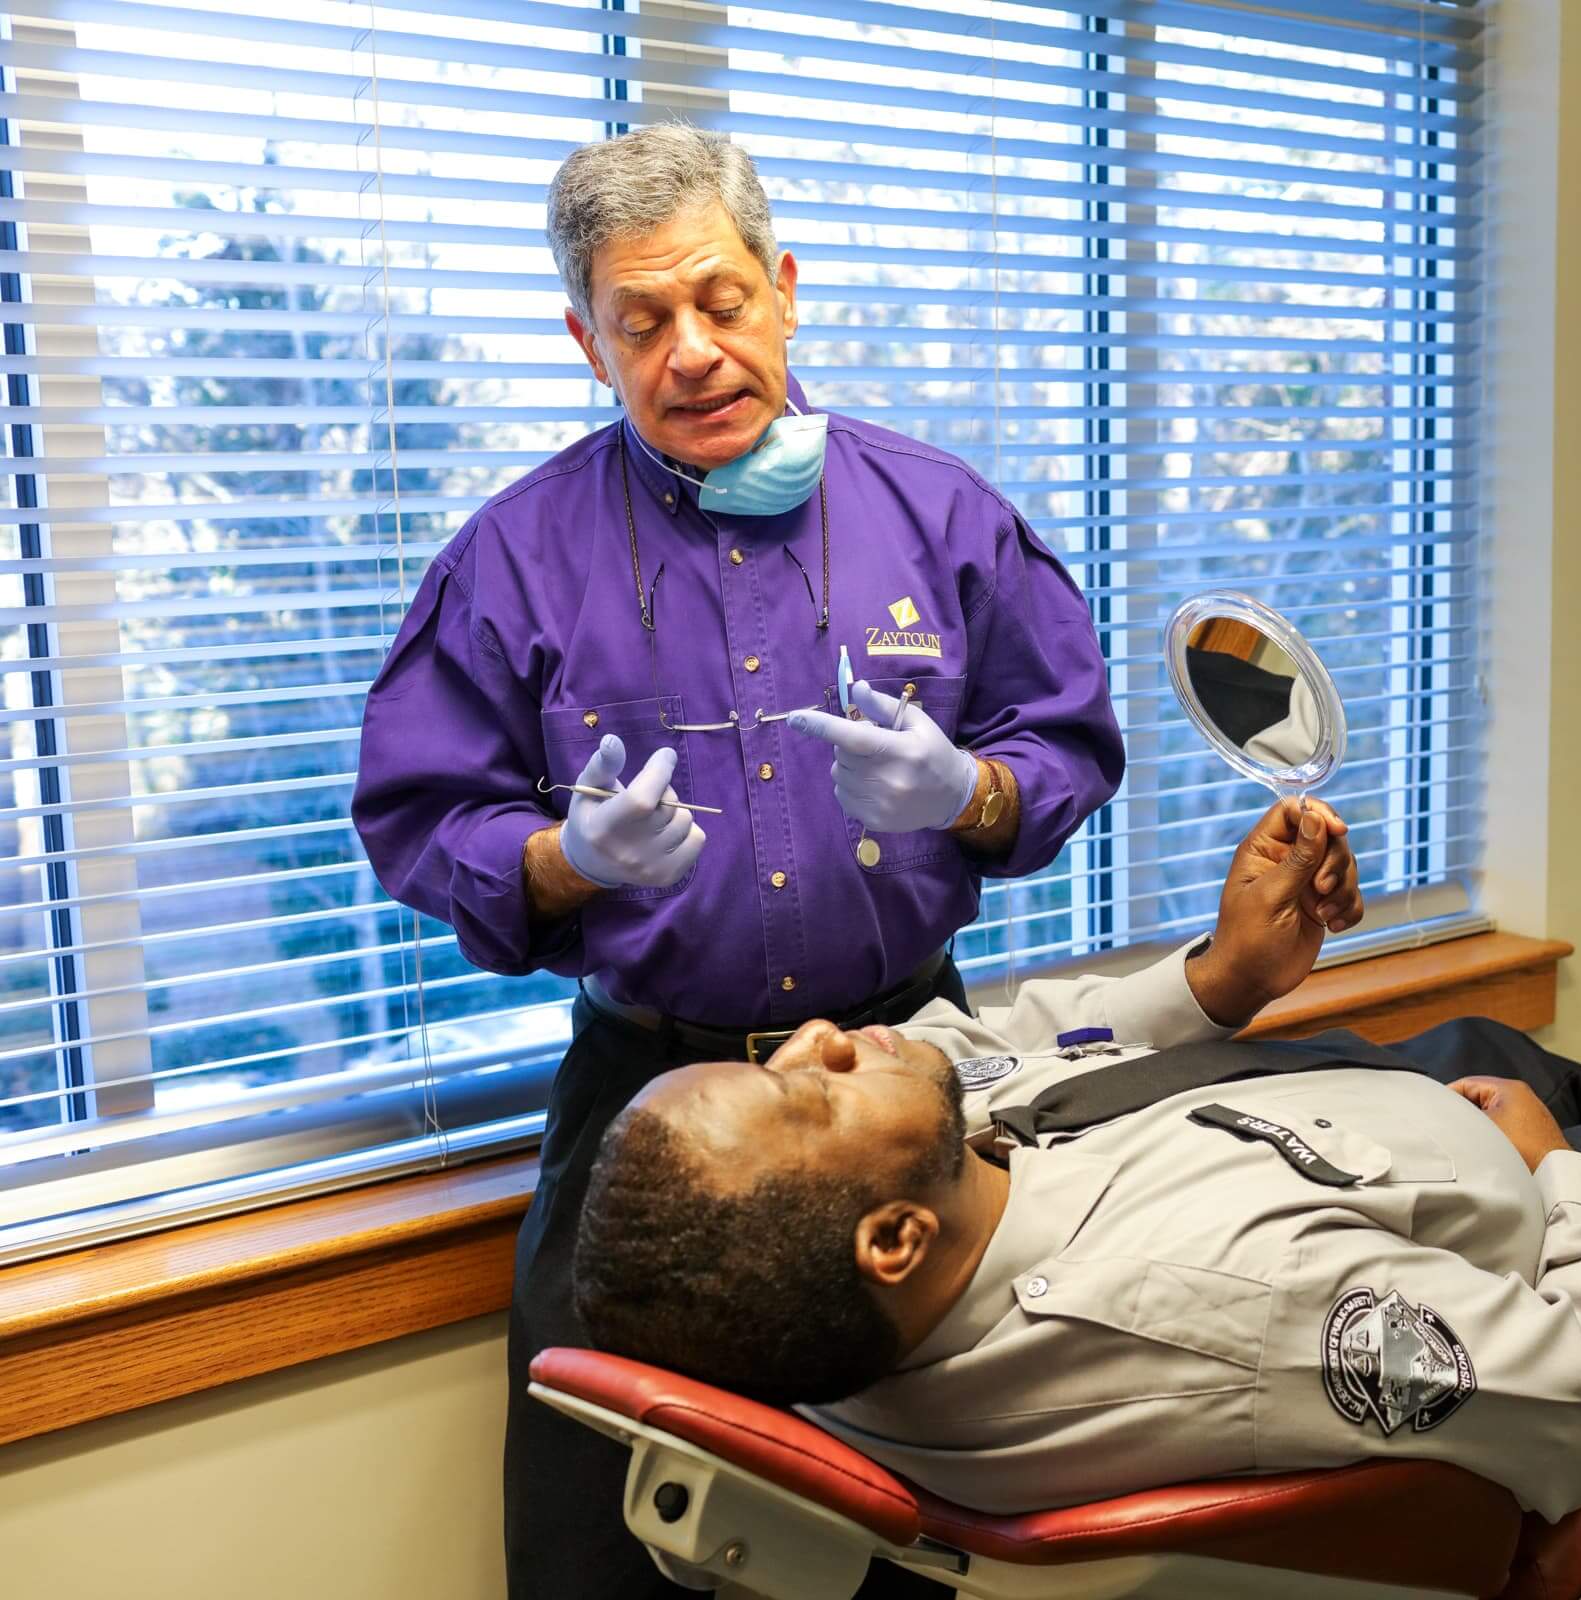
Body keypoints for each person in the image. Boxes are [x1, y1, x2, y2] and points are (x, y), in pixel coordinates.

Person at [351, 121, 1157, 1598]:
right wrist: (564, 861)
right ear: (589, 345)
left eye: (721, 301)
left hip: (903, 1075)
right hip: (653, 1102)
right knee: (606, 1533)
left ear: (784, 287)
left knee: (908, 1515)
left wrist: (970, 790)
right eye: (640, 320)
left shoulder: (944, 514)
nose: (694, 351)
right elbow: (420, 823)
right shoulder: (510, 558)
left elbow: (1069, 751)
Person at [570, 807, 1581, 1522]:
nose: (825, 1035)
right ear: (886, 1241)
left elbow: (1002, 1051)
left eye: (782, 1053)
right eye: (805, 1090)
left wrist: (1226, 978)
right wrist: (1563, 1180)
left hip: (1383, 1123)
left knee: (1487, 1029)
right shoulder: (1226, 1317)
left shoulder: (881, 1248)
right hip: (1524, 1225)